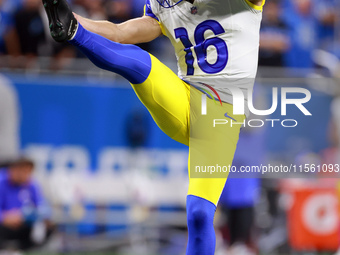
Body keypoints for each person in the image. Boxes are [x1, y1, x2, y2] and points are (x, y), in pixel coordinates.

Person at [41, 0, 264, 253]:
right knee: (138, 62)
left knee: (200, 213)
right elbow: (120, 33)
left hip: (221, 116)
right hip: (185, 99)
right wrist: (71, 20)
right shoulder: (164, 4)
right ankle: (73, 34)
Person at [0, 158, 51, 251]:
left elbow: (43, 207)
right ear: (12, 169)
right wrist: (4, 217)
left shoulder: (32, 184)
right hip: (3, 225)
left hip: (22, 224)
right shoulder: (1, 182)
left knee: (48, 226)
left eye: (27, 171)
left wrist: (28, 215)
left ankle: (19, 250)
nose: (24, 174)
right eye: (21, 170)